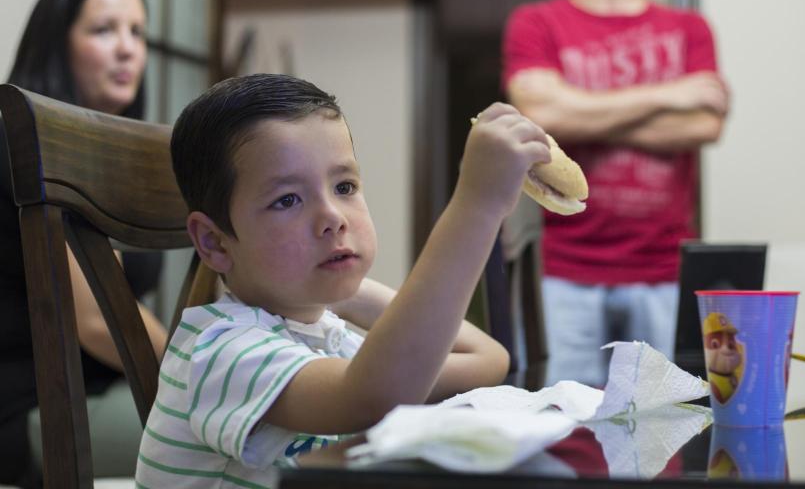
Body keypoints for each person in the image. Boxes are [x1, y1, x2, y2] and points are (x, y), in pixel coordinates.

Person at [136, 73, 547, 486]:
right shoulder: (222, 351)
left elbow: (488, 360)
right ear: (216, 243)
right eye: (287, 200)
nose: (332, 217)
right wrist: (477, 204)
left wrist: (350, 296)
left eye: (344, 186)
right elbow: (372, 396)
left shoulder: (328, 339)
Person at [502, 0, 729, 388]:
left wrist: (580, 114)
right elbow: (541, 117)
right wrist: (665, 94)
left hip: (666, 271)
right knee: (566, 431)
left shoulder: (687, 28)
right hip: (567, 274)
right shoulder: (536, 23)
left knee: (673, 429)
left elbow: (704, 123)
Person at [0, 0, 168, 485]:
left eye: (137, 32)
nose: (128, 49)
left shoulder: (115, 160)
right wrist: (208, 378)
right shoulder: (17, 141)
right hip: (36, 404)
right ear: (57, 43)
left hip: (104, 387)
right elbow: (100, 323)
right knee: (248, 439)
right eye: (104, 30)